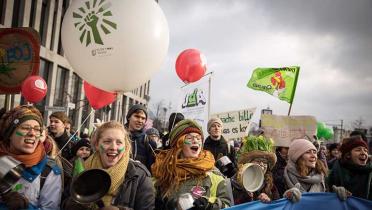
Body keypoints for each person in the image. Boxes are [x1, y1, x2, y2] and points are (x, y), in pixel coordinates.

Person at [63, 121, 155, 210]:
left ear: (125, 146)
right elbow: (64, 202)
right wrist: (74, 204)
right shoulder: (82, 169)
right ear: (97, 144)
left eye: (119, 142)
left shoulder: (139, 175)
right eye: (107, 141)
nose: (113, 147)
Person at [152, 119, 230, 210]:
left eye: (198, 138)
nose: (195, 141)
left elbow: (227, 205)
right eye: (189, 138)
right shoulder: (163, 172)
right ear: (179, 144)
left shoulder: (213, 173)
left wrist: (209, 205)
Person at [0, 105, 62, 209]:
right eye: (25, 128)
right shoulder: (2, 159)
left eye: (37, 129)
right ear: (10, 134)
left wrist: (26, 207)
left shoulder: (48, 170)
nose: (32, 133)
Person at [231, 135, 279, 204]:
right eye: (258, 161)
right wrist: (246, 197)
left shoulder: (269, 183)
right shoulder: (235, 184)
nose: (262, 164)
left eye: (265, 162)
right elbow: (232, 206)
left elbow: (278, 205)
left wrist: (269, 201)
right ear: (248, 164)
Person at [125, 104, 155, 171]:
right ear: (129, 117)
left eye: (143, 118)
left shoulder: (149, 142)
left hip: (138, 180)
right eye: (137, 116)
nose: (140, 120)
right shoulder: (118, 136)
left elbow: (150, 170)